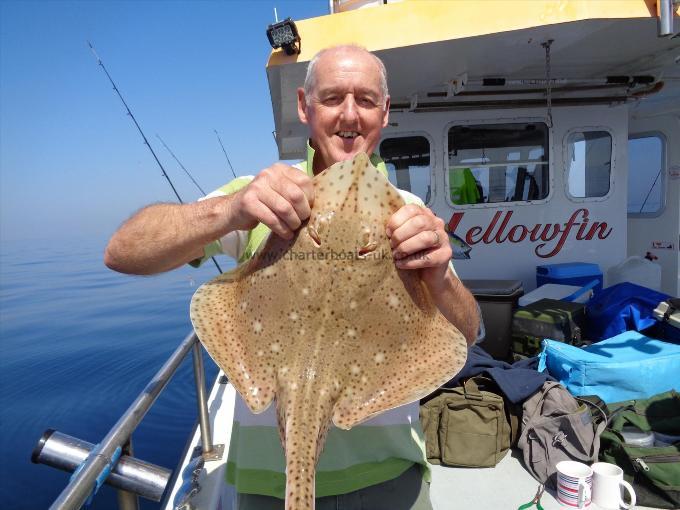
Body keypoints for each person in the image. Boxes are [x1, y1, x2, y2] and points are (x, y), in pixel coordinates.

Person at [105, 44, 479, 510]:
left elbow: (466, 336)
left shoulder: (413, 216)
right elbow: (122, 252)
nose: (349, 114)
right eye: (332, 98)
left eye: (364, 100)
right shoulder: (261, 199)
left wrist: (441, 276)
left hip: (390, 479)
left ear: (385, 113)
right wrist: (230, 211)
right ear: (304, 106)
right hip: (266, 484)